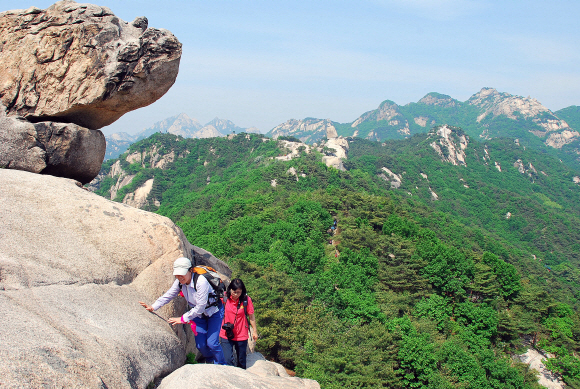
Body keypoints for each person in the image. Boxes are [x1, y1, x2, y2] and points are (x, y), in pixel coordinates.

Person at [139, 257, 226, 365]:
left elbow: (200, 307)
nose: (180, 277)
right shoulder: (180, 282)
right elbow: (169, 295)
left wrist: (183, 319)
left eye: (182, 273)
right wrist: (153, 307)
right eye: (177, 274)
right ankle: (210, 360)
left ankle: (221, 365)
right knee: (200, 345)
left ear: (190, 270)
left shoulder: (201, 282)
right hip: (198, 316)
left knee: (212, 343)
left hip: (213, 312)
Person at [219, 278, 258, 369]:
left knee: (241, 361)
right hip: (226, 333)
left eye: (239, 292)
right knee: (227, 359)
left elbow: (251, 316)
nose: (236, 294)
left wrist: (255, 331)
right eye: (234, 291)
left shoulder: (246, 300)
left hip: (241, 334)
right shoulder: (224, 298)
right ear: (230, 289)